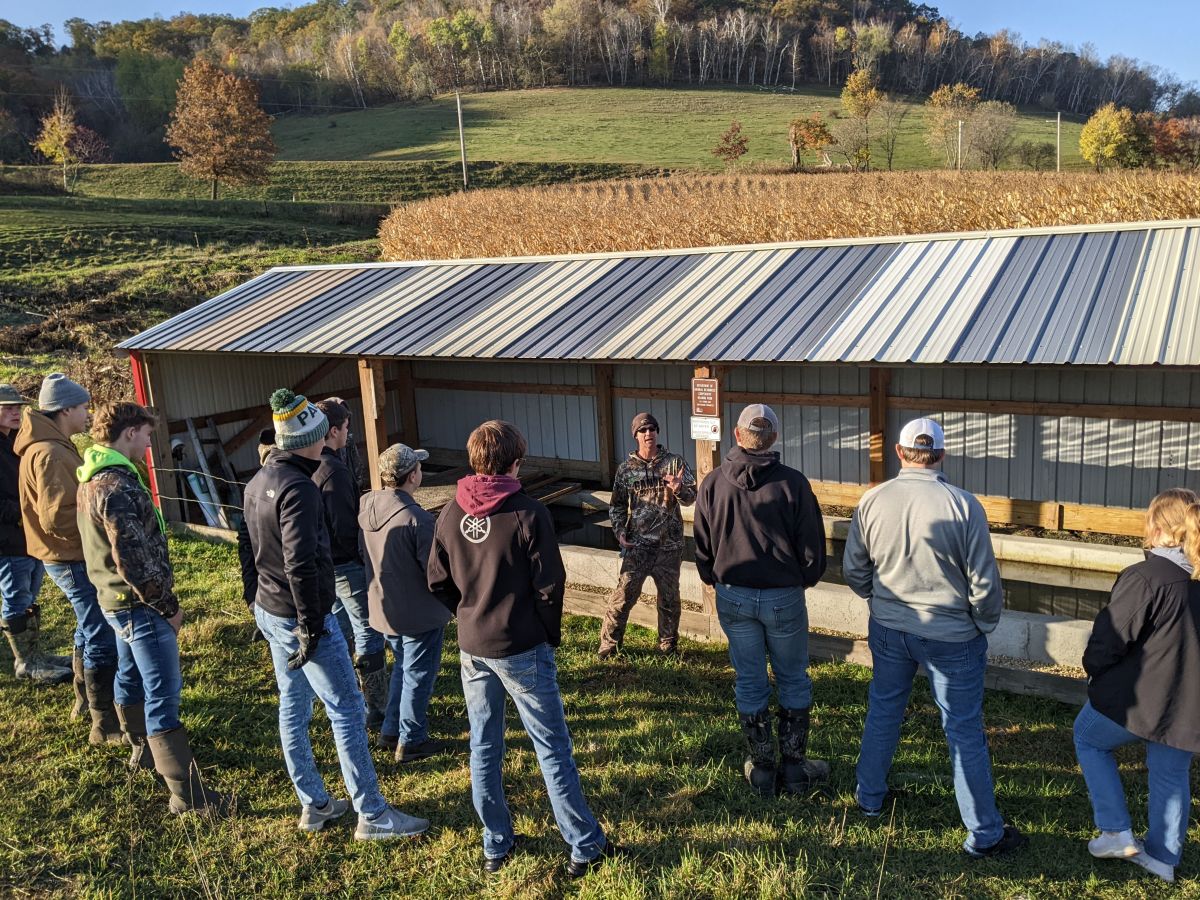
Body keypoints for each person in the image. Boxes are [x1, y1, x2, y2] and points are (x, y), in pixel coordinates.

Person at [428, 420, 617, 877]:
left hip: (473, 647)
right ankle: (584, 845)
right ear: (515, 463)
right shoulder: (529, 513)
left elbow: (437, 580)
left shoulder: (450, 512)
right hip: (522, 647)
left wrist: (467, 615)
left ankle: (495, 844)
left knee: (484, 746)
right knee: (551, 748)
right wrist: (548, 633)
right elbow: (550, 585)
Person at [243, 388, 428, 840]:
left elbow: (246, 544)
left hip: (271, 609)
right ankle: (373, 814)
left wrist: (254, 597)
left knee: (293, 704)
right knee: (346, 707)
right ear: (311, 438)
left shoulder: (258, 480)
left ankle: (314, 802)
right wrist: (312, 625)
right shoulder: (300, 490)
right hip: (302, 618)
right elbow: (301, 562)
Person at [842, 417, 1027, 859]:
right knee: (963, 730)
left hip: (890, 627)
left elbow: (854, 569)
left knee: (884, 710)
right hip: (953, 635)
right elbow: (985, 584)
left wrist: (880, 601)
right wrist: (982, 623)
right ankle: (984, 833)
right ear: (941, 455)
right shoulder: (964, 505)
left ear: (899, 452)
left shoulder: (872, 500)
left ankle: (869, 799)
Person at [77, 402, 229, 813]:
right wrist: (167, 606)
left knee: (129, 675)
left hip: (112, 601)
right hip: (140, 605)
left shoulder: (91, 478)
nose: (148, 444)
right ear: (129, 432)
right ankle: (187, 795)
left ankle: (141, 751)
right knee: (162, 692)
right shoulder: (117, 487)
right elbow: (133, 559)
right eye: (146, 435)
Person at [693, 404, 828, 797]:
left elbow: (702, 543)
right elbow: (812, 548)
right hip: (783, 596)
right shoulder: (793, 484)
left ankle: (763, 770)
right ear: (774, 438)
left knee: (750, 680)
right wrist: (803, 580)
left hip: (733, 595)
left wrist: (712, 576)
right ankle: (795, 769)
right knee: (793, 677)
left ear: (737, 435)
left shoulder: (713, 483)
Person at [1073, 488, 1200, 884]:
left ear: (1158, 528)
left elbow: (1110, 638)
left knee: (1088, 738)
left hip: (1139, 700)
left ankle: (1116, 831)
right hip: (1190, 706)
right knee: (1170, 774)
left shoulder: (1147, 577)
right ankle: (1163, 858)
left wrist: (1094, 670)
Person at [15, 373, 122, 745]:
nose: (87, 414)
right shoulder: (50, 453)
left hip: (63, 554)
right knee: (101, 632)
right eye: (82, 407)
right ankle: (104, 722)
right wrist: (97, 538)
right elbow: (57, 518)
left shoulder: (51, 445)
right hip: (71, 556)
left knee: (86, 625)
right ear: (64, 411)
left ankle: (84, 700)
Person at [360, 443, 451, 761]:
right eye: (419, 467)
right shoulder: (418, 520)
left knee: (403, 667)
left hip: (384, 610)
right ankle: (411, 739)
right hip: (419, 614)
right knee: (418, 675)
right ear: (413, 476)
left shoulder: (367, 507)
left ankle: (390, 730)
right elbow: (434, 571)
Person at [314, 399, 387, 729]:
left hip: (324, 565)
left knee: (340, 629)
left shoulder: (310, 464)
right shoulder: (335, 472)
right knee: (368, 629)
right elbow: (345, 526)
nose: (348, 433)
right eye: (345, 428)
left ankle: (348, 692)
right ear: (333, 431)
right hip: (345, 564)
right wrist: (361, 558)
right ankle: (377, 705)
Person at [598, 412, 696, 658]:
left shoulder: (675, 463)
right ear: (636, 435)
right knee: (623, 597)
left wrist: (679, 489)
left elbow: (691, 498)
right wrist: (620, 531)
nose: (648, 433)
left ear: (657, 432)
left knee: (670, 600)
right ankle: (608, 648)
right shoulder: (626, 469)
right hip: (637, 546)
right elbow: (617, 506)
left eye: (652, 429)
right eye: (642, 430)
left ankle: (668, 647)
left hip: (669, 547)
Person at [0, 384, 70, 684]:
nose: (15, 412)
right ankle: (26, 663)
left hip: (30, 533)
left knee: (29, 593)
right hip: (8, 538)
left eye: (17, 406)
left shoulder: (17, 440)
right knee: (16, 596)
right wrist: (25, 513)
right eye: (7, 407)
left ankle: (35, 655)